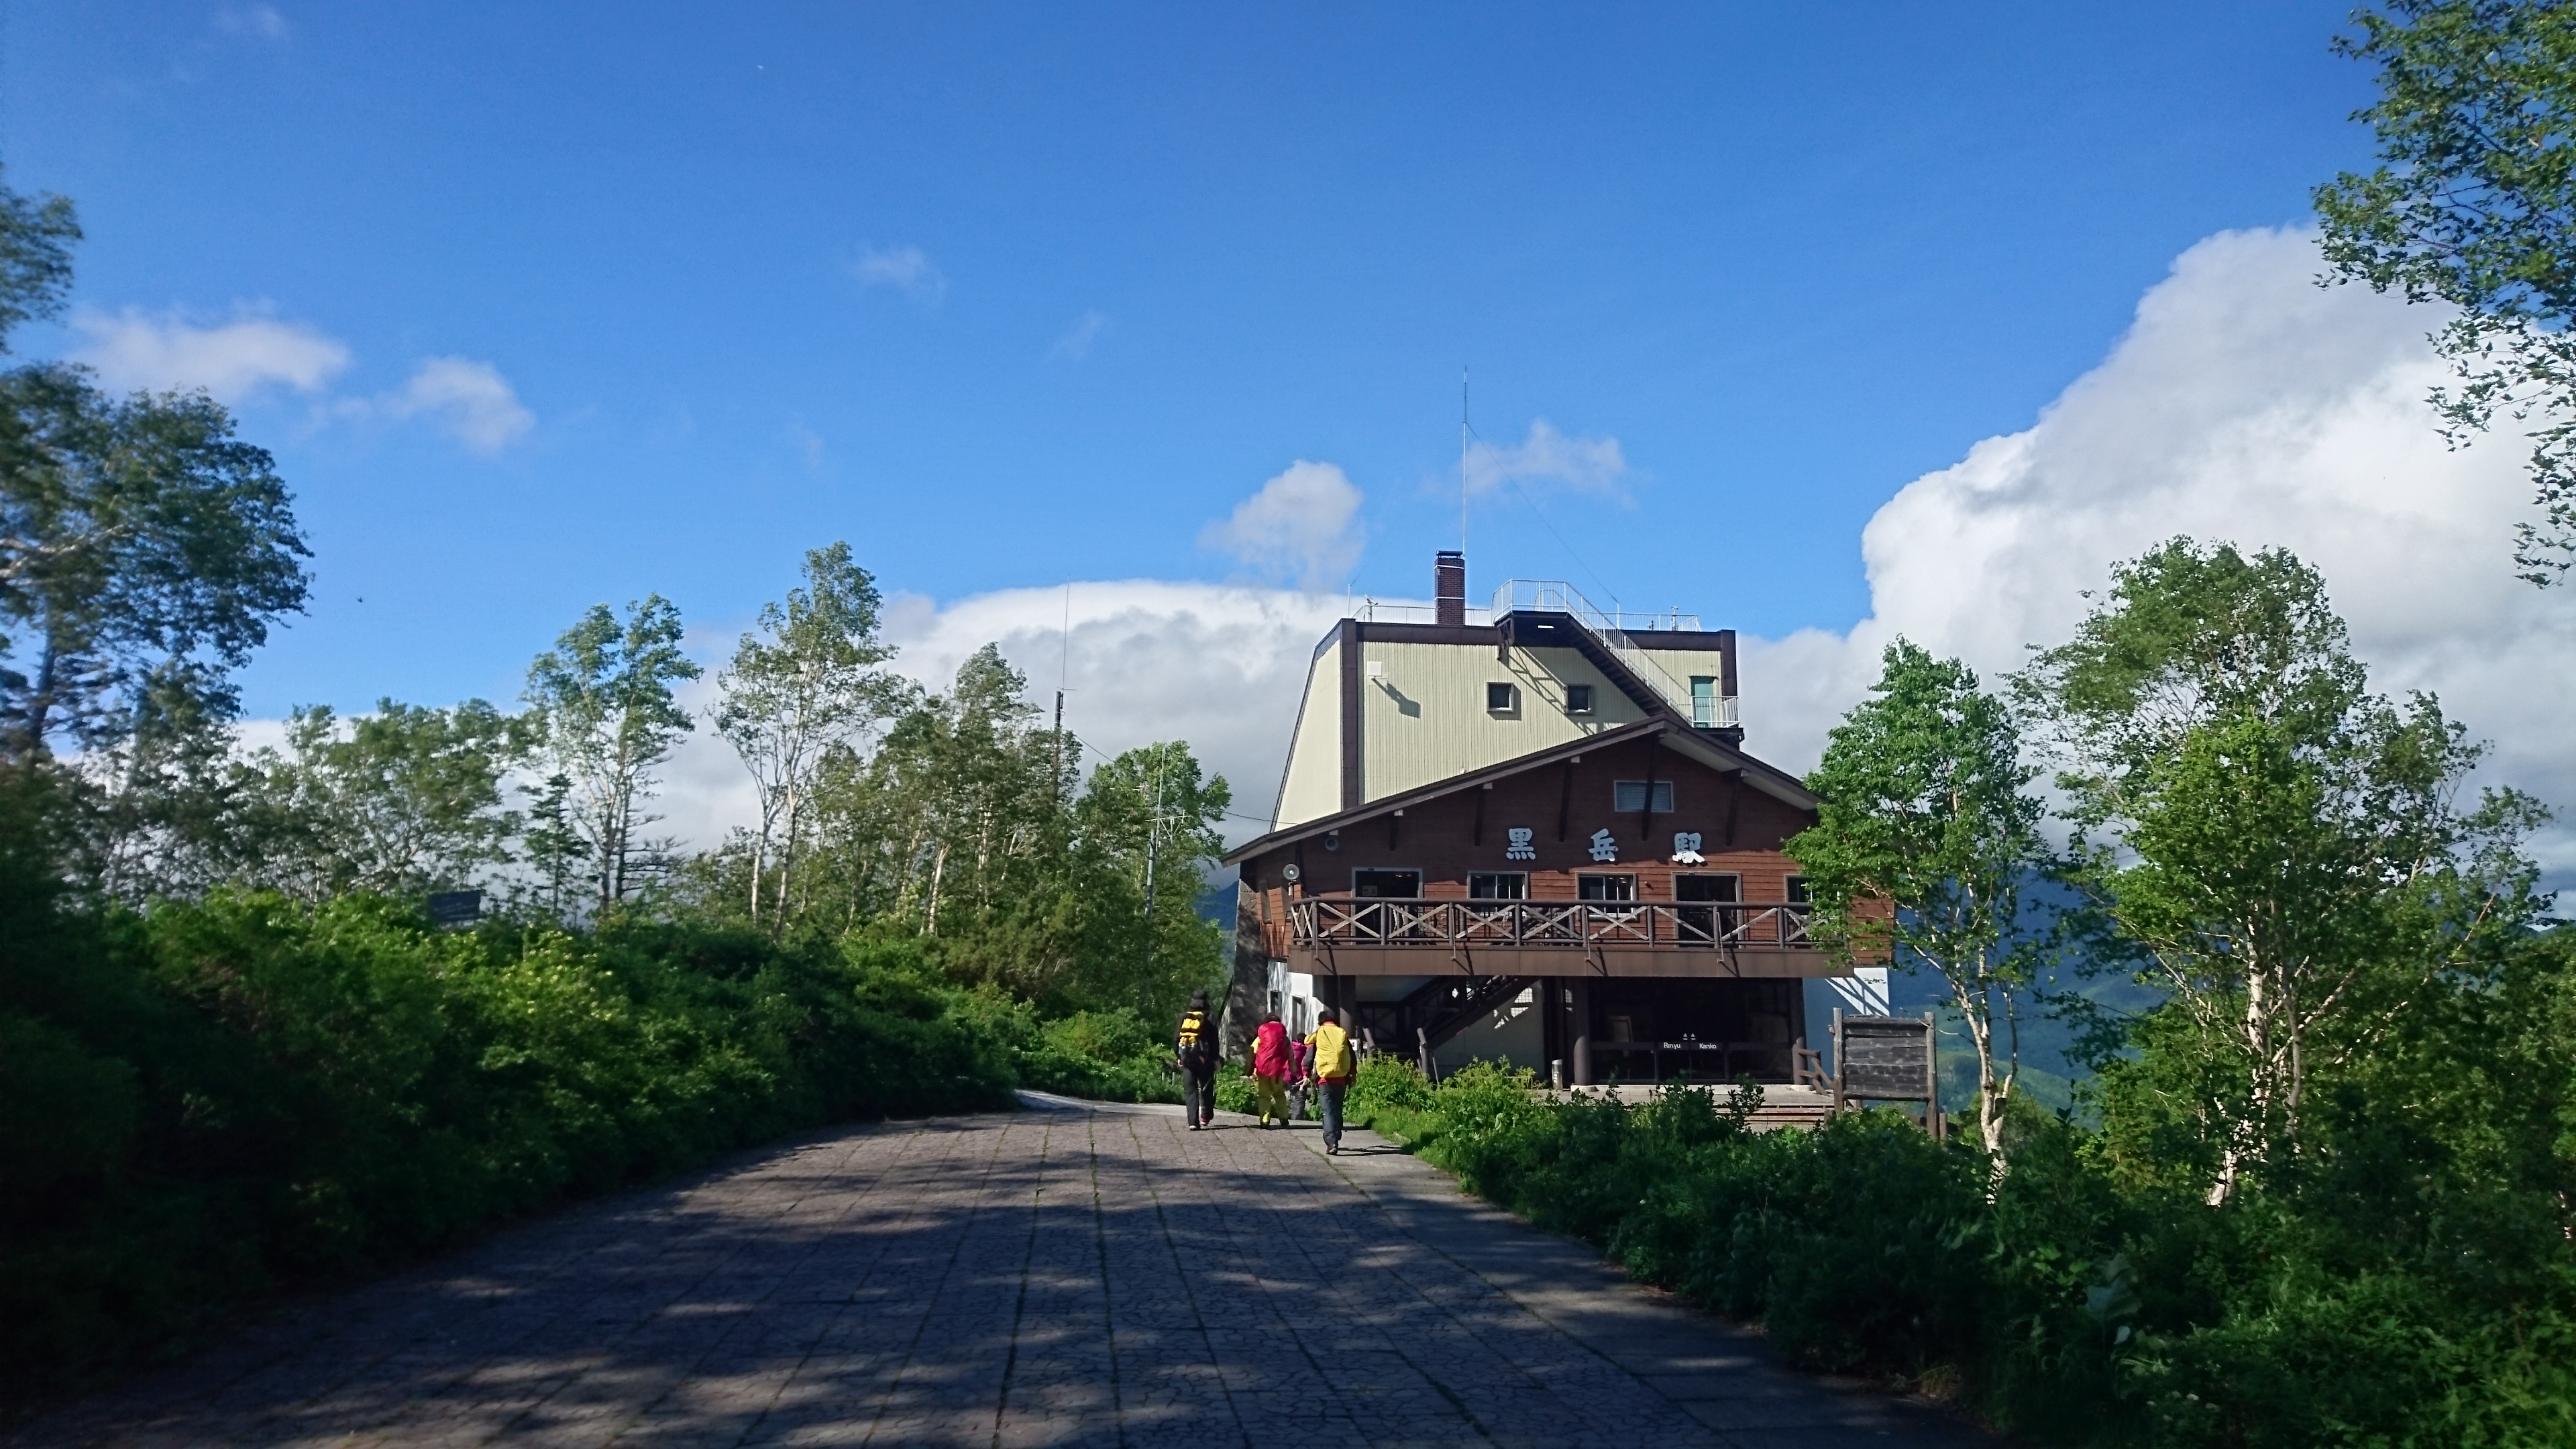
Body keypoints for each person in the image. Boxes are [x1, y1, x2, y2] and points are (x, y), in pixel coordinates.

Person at [1305, 1007, 1356, 1155]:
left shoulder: (1320, 1033)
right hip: (1341, 1078)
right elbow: (1352, 1057)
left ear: (1321, 1022)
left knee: (1327, 1111)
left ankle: (1331, 1141)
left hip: (1324, 1079)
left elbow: (1309, 1056)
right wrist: (1353, 1075)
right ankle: (1337, 1135)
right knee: (1337, 1108)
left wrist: (1305, 1073)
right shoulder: (1342, 1034)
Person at [1175, 989, 1218, 1130]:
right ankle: (1205, 1116)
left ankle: (1193, 1122)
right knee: (1206, 1088)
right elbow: (1214, 1041)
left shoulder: (1184, 1016)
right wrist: (1215, 1058)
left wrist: (1179, 1056)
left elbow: (1176, 1038)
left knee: (1190, 1091)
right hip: (1205, 1060)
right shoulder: (1210, 1017)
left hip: (1188, 1058)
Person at [1250, 1012, 1293, 1127]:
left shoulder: (1261, 1037)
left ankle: (1265, 1120)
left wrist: (1249, 1069)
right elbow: (1290, 1055)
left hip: (1262, 1069)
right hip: (1278, 1070)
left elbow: (1252, 1052)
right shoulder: (1285, 1039)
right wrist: (1293, 1069)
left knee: (1265, 1096)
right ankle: (1284, 1117)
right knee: (1279, 1094)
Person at [1285, 1035, 1313, 1123]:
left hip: (1288, 1077)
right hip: (1299, 1079)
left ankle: (1290, 1116)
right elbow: (1300, 1067)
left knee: (1292, 1098)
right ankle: (1297, 1119)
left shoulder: (1290, 1048)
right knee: (1300, 1098)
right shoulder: (1303, 1051)